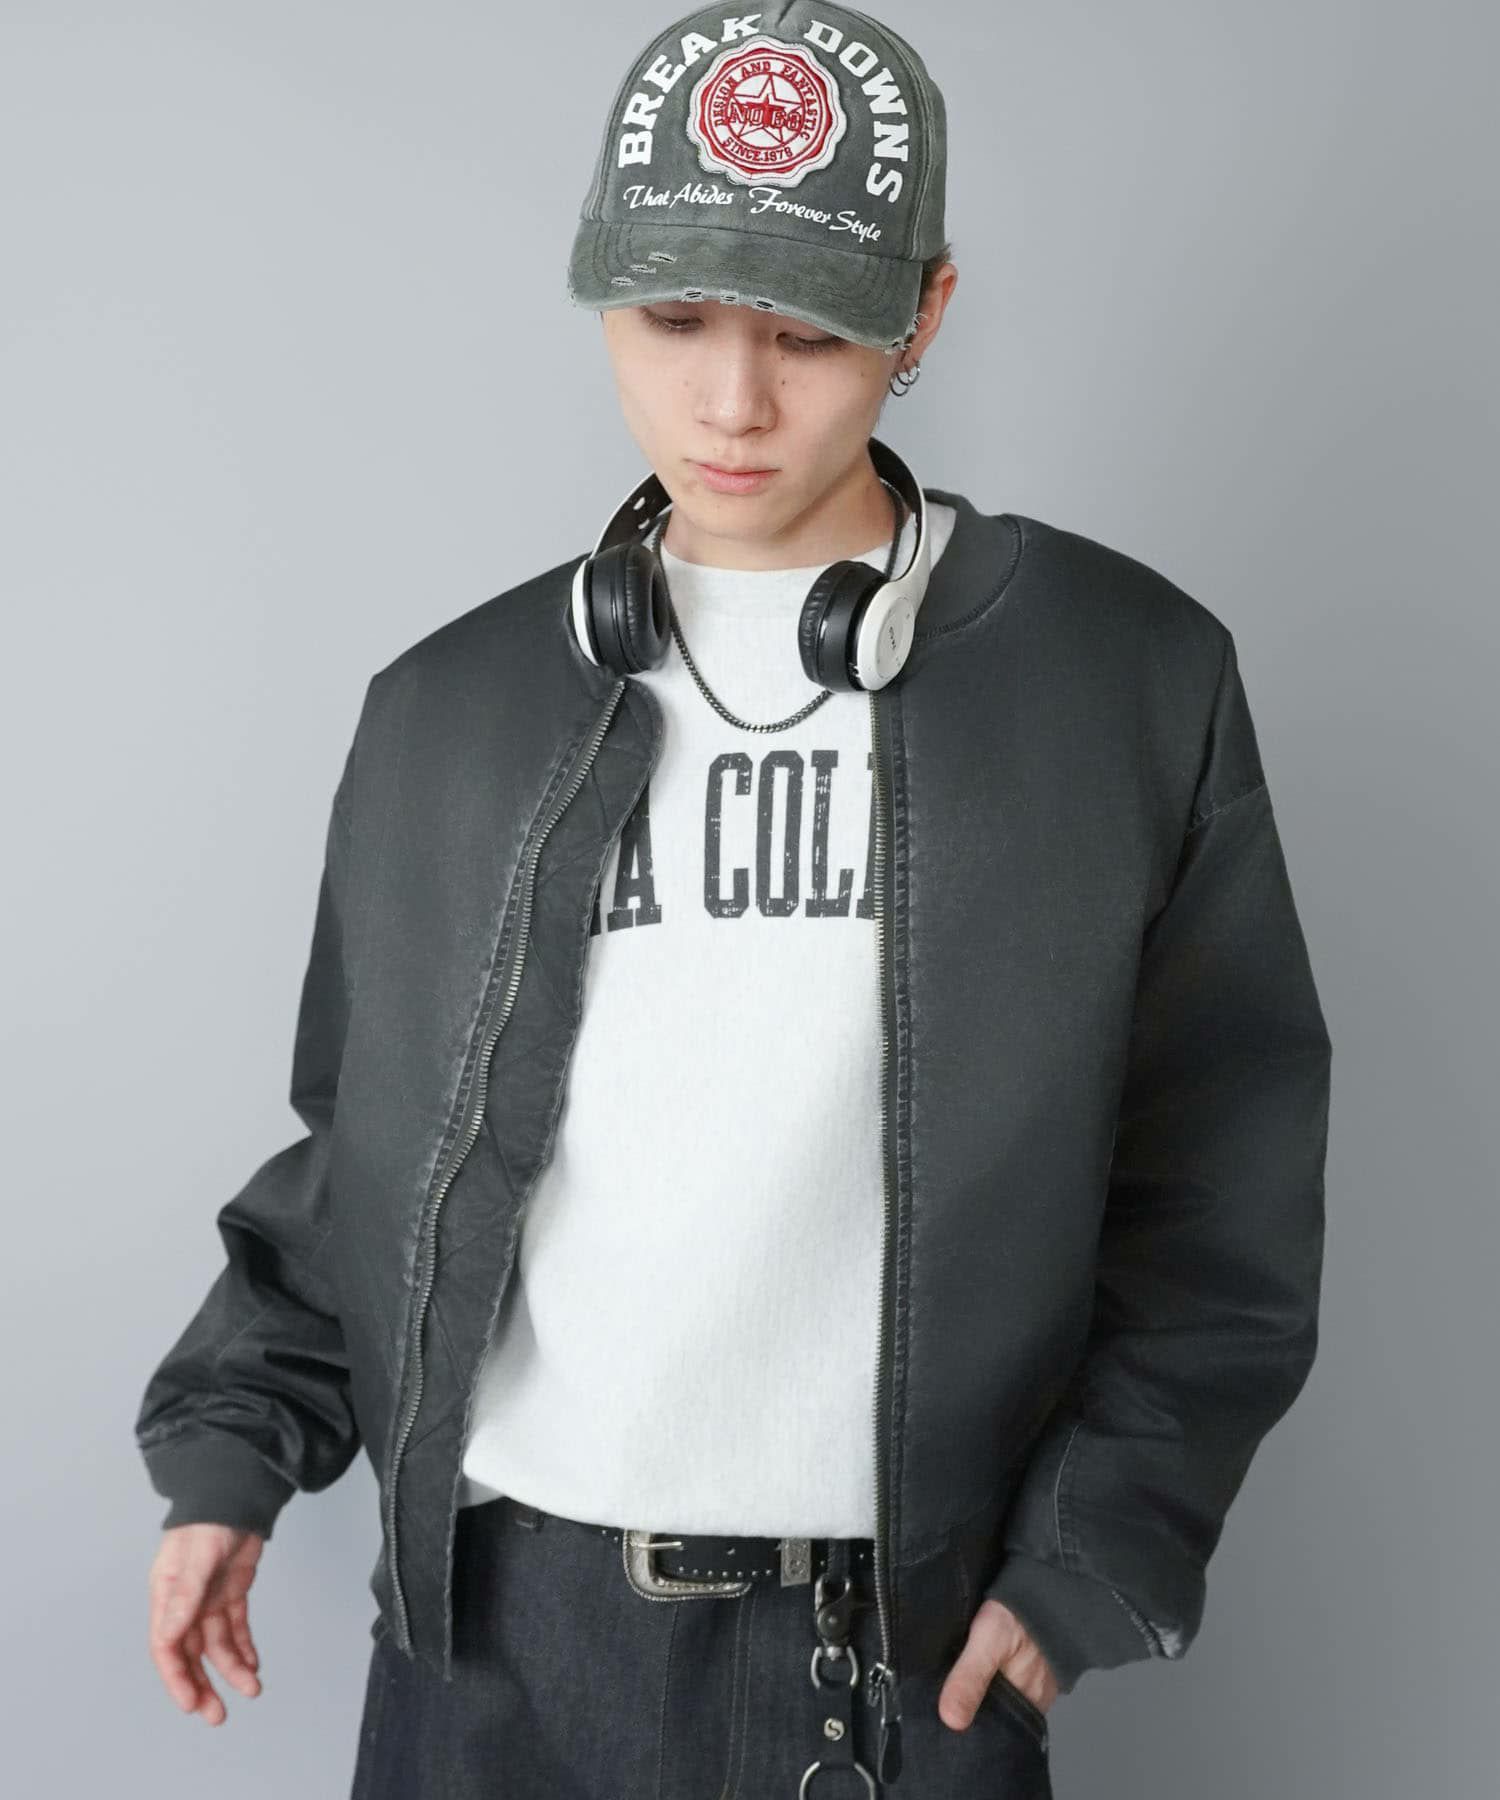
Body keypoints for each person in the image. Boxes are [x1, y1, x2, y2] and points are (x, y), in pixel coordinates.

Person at [136, 5, 1332, 1796]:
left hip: (894, 1665)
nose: (733, 404)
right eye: (674, 320)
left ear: (923, 314)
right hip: (489, 1653)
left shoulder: (1126, 686)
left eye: (808, 331)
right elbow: (363, 1162)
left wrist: (1089, 1560)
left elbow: (1218, 1195)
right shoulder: (448, 711)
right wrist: (231, 1461)